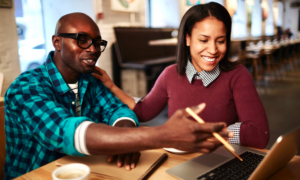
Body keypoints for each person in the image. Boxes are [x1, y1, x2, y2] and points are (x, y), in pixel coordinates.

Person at [4, 12, 233, 179]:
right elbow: (67, 131)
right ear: (57, 42)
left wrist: (125, 134)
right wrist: (162, 135)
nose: (93, 49)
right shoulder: (26, 87)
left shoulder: (90, 80)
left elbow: (118, 109)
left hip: (89, 170)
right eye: (82, 40)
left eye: (97, 43)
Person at [92, 2, 270, 149]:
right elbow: (143, 111)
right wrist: (111, 86)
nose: (213, 50)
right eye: (203, 40)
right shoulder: (170, 74)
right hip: (178, 161)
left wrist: (203, 136)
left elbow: (258, 134)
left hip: (221, 159)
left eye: (220, 41)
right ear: (187, 38)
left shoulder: (237, 76)